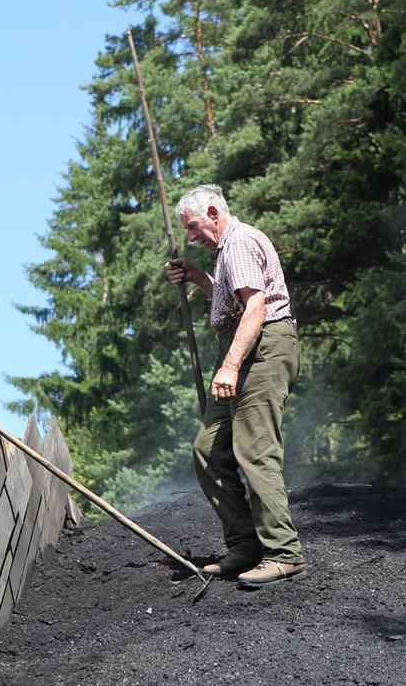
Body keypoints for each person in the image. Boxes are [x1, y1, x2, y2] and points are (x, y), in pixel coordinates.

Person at [164, 184, 306, 585]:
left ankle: (283, 552)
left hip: (262, 348)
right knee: (208, 449)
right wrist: (196, 277)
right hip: (244, 347)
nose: (190, 237)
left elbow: (256, 306)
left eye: (192, 227)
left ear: (212, 211)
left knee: (255, 449)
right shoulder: (225, 252)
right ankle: (246, 546)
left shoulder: (240, 242)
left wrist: (229, 366)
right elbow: (232, 303)